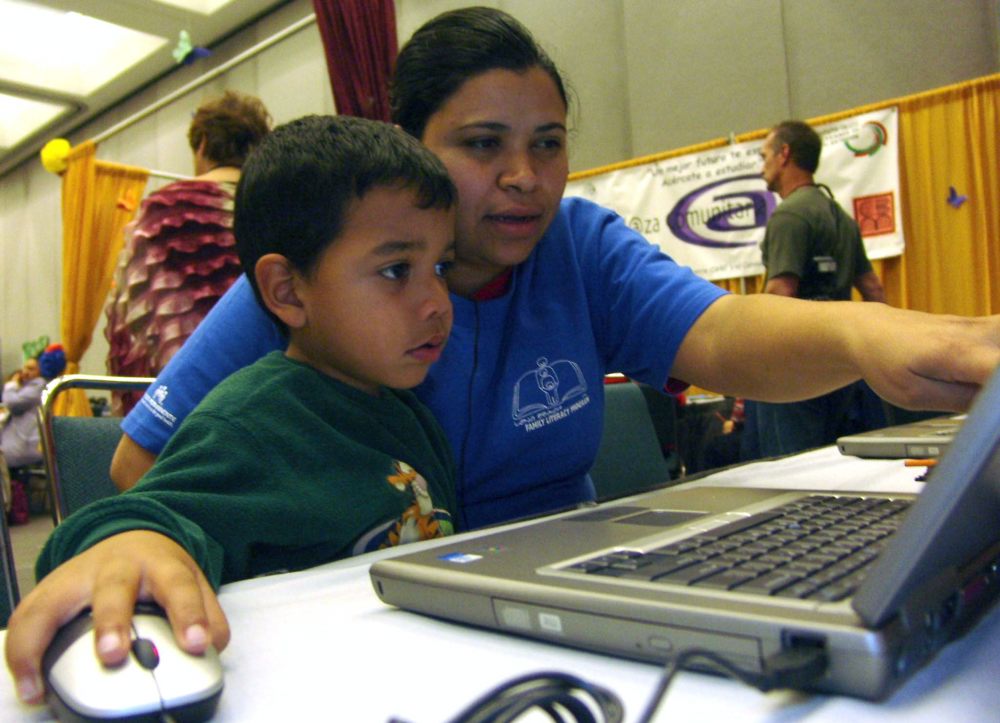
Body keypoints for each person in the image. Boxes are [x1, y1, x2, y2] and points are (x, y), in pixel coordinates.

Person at [108, 7, 999, 516]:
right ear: (406, 145)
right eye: (482, 143)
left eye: (548, 143)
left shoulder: (576, 243)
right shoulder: (317, 281)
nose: (523, 179)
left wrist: (872, 333)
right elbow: (138, 468)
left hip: (560, 586)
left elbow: (725, 332)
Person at [5, 115, 459, 705]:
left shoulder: (412, 411)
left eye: (442, 268)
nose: (436, 303)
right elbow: (141, 517)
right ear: (288, 291)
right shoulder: (251, 422)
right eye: (397, 270)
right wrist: (130, 542)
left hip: (424, 677)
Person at [104, 90, 272, 411]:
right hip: (275, 397)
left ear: (203, 144)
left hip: (186, 402)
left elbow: (131, 323)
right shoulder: (279, 206)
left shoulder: (165, 211)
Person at [750, 120, 888, 456]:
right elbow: (874, 291)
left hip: (795, 372)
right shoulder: (841, 218)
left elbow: (780, 294)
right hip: (842, 369)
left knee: (792, 470)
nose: (761, 165)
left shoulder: (790, 217)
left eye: (764, 154)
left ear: (784, 154)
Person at [1, 345, 66, 524]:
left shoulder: (39, 386)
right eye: (24, 368)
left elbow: (11, 402)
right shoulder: (34, 386)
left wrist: (11, 384)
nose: (25, 372)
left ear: (41, 369)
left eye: (31, 368)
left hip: (25, 447)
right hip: (23, 444)